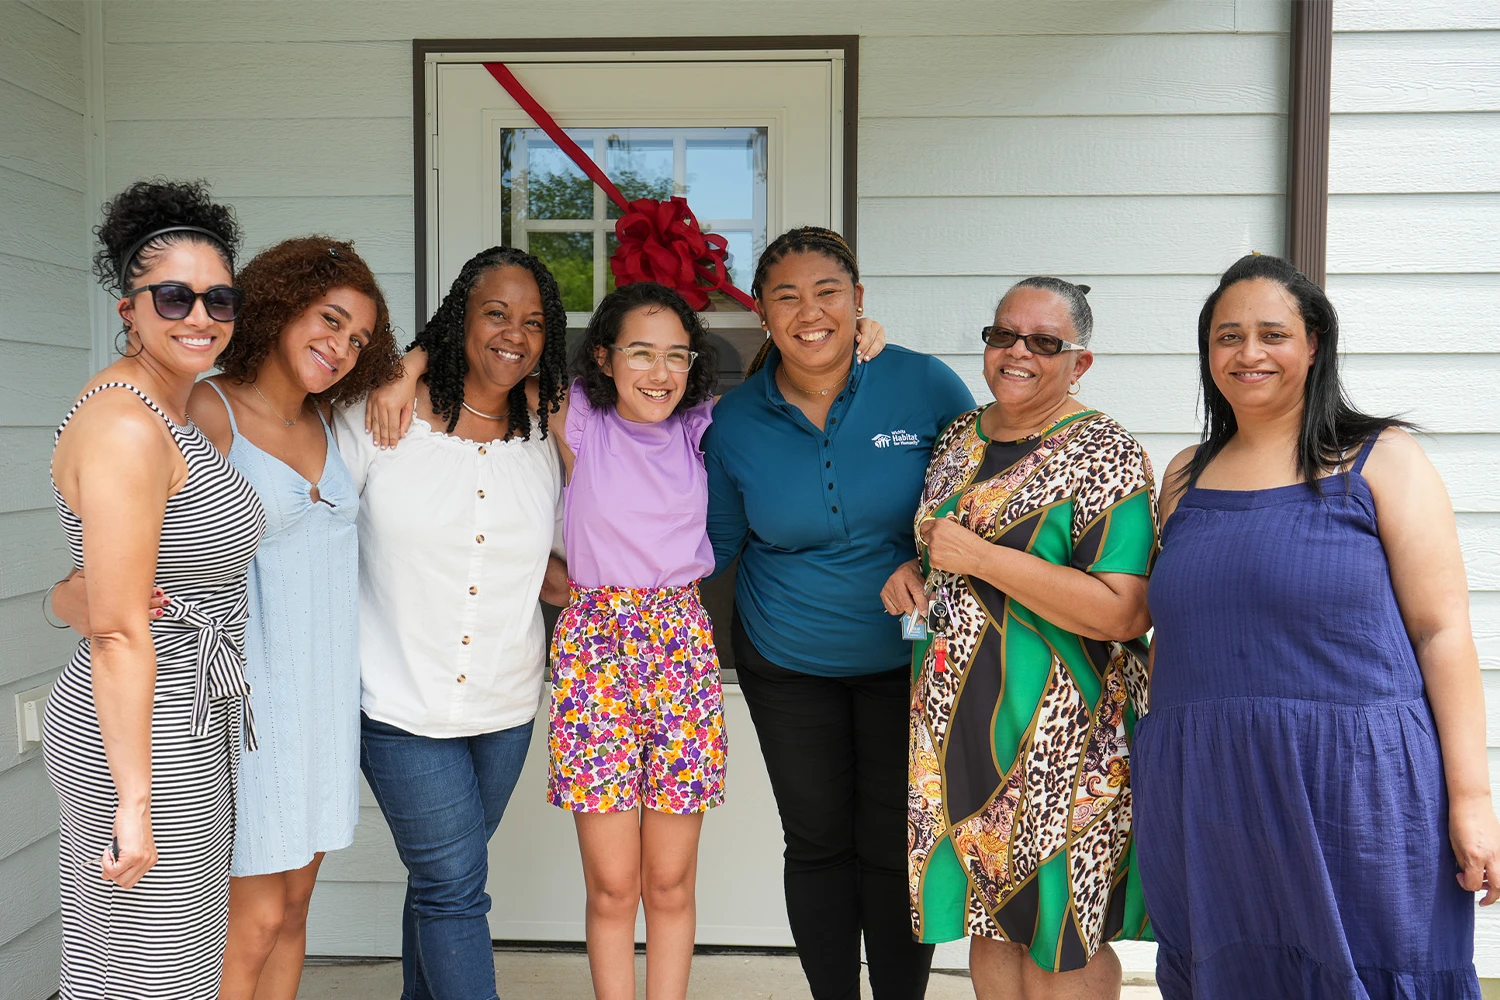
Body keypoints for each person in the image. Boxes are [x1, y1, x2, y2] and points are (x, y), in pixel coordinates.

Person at [1134, 253, 1500, 999]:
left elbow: (1443, 633)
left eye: (1273, 333)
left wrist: (1472, 799)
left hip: (1357, 792)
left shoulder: (1382, 459)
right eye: (1227, 336)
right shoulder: (1183, 476)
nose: (1249, 353)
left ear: (1315, 346)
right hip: (1209, 794)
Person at [51, 236, 403, 1000]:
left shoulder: (335, 422)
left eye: (360, 340)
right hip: (242, 700)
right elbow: (119, 555)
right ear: (278, 308)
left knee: (296, 906)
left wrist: (404, 370)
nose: (341, 347)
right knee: (248, 922)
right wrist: (75, 600)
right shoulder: (203, 412)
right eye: (329, 320)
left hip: (322, 702)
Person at [703, 226, 974, 1000]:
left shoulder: (924, 386)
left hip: (908, 660)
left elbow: (976, 501)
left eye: (827, 291)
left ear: (859, 300)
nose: (808, 310)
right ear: (762, 315)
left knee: (895, 843)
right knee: (817, 842)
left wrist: (919, 555)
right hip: (787, 662)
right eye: (785, 296)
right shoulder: (737, 420)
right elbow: (715, 545)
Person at [902, 277, 1155, 1000]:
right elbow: (938, 550)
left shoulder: (1103, 451)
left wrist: (983, 558)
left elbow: (1122, 612)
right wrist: (907, 571)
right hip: (960, 728)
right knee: (993, 925)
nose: (1017, 352)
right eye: (1002, 335)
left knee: (1062, 939)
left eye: (1043, 342)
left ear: (1080, 363)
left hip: (1062, 739)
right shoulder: (960, 436)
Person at [43, 179, 265, 999]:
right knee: (143, 974)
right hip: (140, 727)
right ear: (127, 307)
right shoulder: (126, 424)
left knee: (170, 966)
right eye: (172, 296)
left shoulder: (177, 406)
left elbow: (88, 590)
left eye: (218, 298)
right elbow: (117, 631)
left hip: (184, 706)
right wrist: (134, 801)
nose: (199, 315)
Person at [334, 245, 569, 1000]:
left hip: (504, 705)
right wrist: (406, 365)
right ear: (456, 319)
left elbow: (667, 396)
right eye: (495, 313)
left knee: (443, 875)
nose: (514, 334)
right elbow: (314, 530)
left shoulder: (546, 427)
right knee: (456, 885)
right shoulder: (379, 416)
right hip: (400, 700)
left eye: (533, 322)